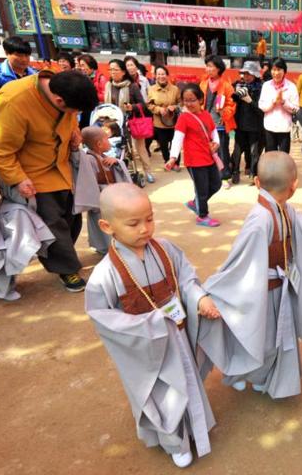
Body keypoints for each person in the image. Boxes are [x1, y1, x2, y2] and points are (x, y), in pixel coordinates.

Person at [196, 151, 302, 399]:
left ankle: (258, 376)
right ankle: (246, 375)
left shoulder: (282, 209)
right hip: (260, 291)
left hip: (277, 287)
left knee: (271, 337)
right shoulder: (261, 219)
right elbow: (240, 262)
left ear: (257, 182)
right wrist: (217, 291)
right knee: (260, 337)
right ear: (294, 185)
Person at [84, 183, 218, 469]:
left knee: (187, 382)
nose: (145, 229)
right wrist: (150, 324)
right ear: (107, 226)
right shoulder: (103, 275)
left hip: (177, 335)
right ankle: (174, 443)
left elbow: (186, 277)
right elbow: (103, 318)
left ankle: (194, 428)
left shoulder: (166, 249)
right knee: (163, 396)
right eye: (133, 223)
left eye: (149, 219)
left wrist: (199, 297)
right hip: (144, 349)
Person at [0, 69, 98, 292]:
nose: (74, 114)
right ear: (58, 100)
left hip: (63, 168)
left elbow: (69, 119)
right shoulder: (13, 101)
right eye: (73, 110)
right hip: (33, 174)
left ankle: (62, 256)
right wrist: (17, 179)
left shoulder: (63, 87)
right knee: (52, 221)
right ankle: (67, 268)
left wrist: (74, 133)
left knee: (72, 218)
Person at [0, 150, 54, 300]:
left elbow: (10, 193)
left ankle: (25, 248)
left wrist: (24, 193)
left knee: (19, 211)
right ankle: (1, 290)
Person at [166, 83, 222, 228]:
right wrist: (173, 158)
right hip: (195, 161)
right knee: (202, 189)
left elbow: (214, 131)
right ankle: (202, 215)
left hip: (208, 158)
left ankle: (195, 202)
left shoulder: (206, 115)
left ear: (200, 100)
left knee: (216, 184)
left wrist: (216, 142)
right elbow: (177, 138)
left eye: (192, 100)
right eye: (186, 100)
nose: (189, 103)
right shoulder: (184, 118)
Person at [71, 126, 132, 255]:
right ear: (99, 144)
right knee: (104, 223)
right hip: (100, 197)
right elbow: (88, 179)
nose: (110, 142)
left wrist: (116, 162)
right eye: (107, 140)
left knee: (114, 221)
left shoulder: (104, 156)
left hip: (111, 197)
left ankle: (117, 245)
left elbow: (117, 170)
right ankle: (107, 248)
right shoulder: (89, 159)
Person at [105, 59, 154, 183]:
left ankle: (148, 171)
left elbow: (142, 104)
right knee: (122, 150)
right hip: (115, 123)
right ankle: (127, 173)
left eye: (115, 70)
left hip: (132, 121)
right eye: (110, 69)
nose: (112, 72)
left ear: (122, 72)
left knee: (140, 148)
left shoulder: (131, 86)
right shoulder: (108, 85)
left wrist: (132, 107)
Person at [200, 55, 237, 185]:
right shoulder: (203, 84)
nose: (208, 69)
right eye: (207, 66)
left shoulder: (227, 86)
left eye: (211, 66)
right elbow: (199, 102)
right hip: (205, 124)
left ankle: (225, 176)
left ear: (218, 68)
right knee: (207, 150)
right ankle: (211, 175)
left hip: (220, 123)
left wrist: (223, 113)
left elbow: (232, 105)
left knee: (222, 150)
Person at [230, 60, 264, 183]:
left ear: (255, 74)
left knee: (254, 151)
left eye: (249, 74)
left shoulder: (262, 88)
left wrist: (250, 100)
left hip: (255, 125)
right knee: (237, 150)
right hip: (240, 124)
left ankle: (254, 174)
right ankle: (235, 172)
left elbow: (261, 110)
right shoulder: (238, 85)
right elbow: (231, 100)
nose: (246, 77)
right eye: (244, 74)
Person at [258, 58, 299, 153]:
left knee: (283, 158)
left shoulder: (291, 87)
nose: (276, 73)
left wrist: (283, 102)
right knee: (270, 156)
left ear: (284, 71)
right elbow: (262, 106)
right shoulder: (266, 86)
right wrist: (273, 102)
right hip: (269, 127)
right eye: (273, 69)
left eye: (279, 69)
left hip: (285, 128)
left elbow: (296, 109)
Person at [146, 66, 181, 170]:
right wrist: (158, 109)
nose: (161, 76)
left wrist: (174, 107)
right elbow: (149, 105)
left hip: (174, 121)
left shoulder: (175, 89)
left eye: (163, 74)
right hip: (159, 122)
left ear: (167, 75)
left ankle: (176, 162)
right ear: (155, 76)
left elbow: (181, 103)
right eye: (159, 74)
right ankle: (168, 162)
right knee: (164, 145)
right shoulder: (151, 89)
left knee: (175, 143)